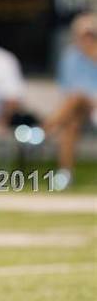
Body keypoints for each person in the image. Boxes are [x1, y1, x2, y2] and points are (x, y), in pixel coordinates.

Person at [44, 12, 97, 188]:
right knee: (70, 125)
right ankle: (65, 174)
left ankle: (43, 130)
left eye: (90, 35)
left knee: (78, 97)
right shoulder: (70, 56)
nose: (86, 39)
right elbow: (66, 89)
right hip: (77, 109)